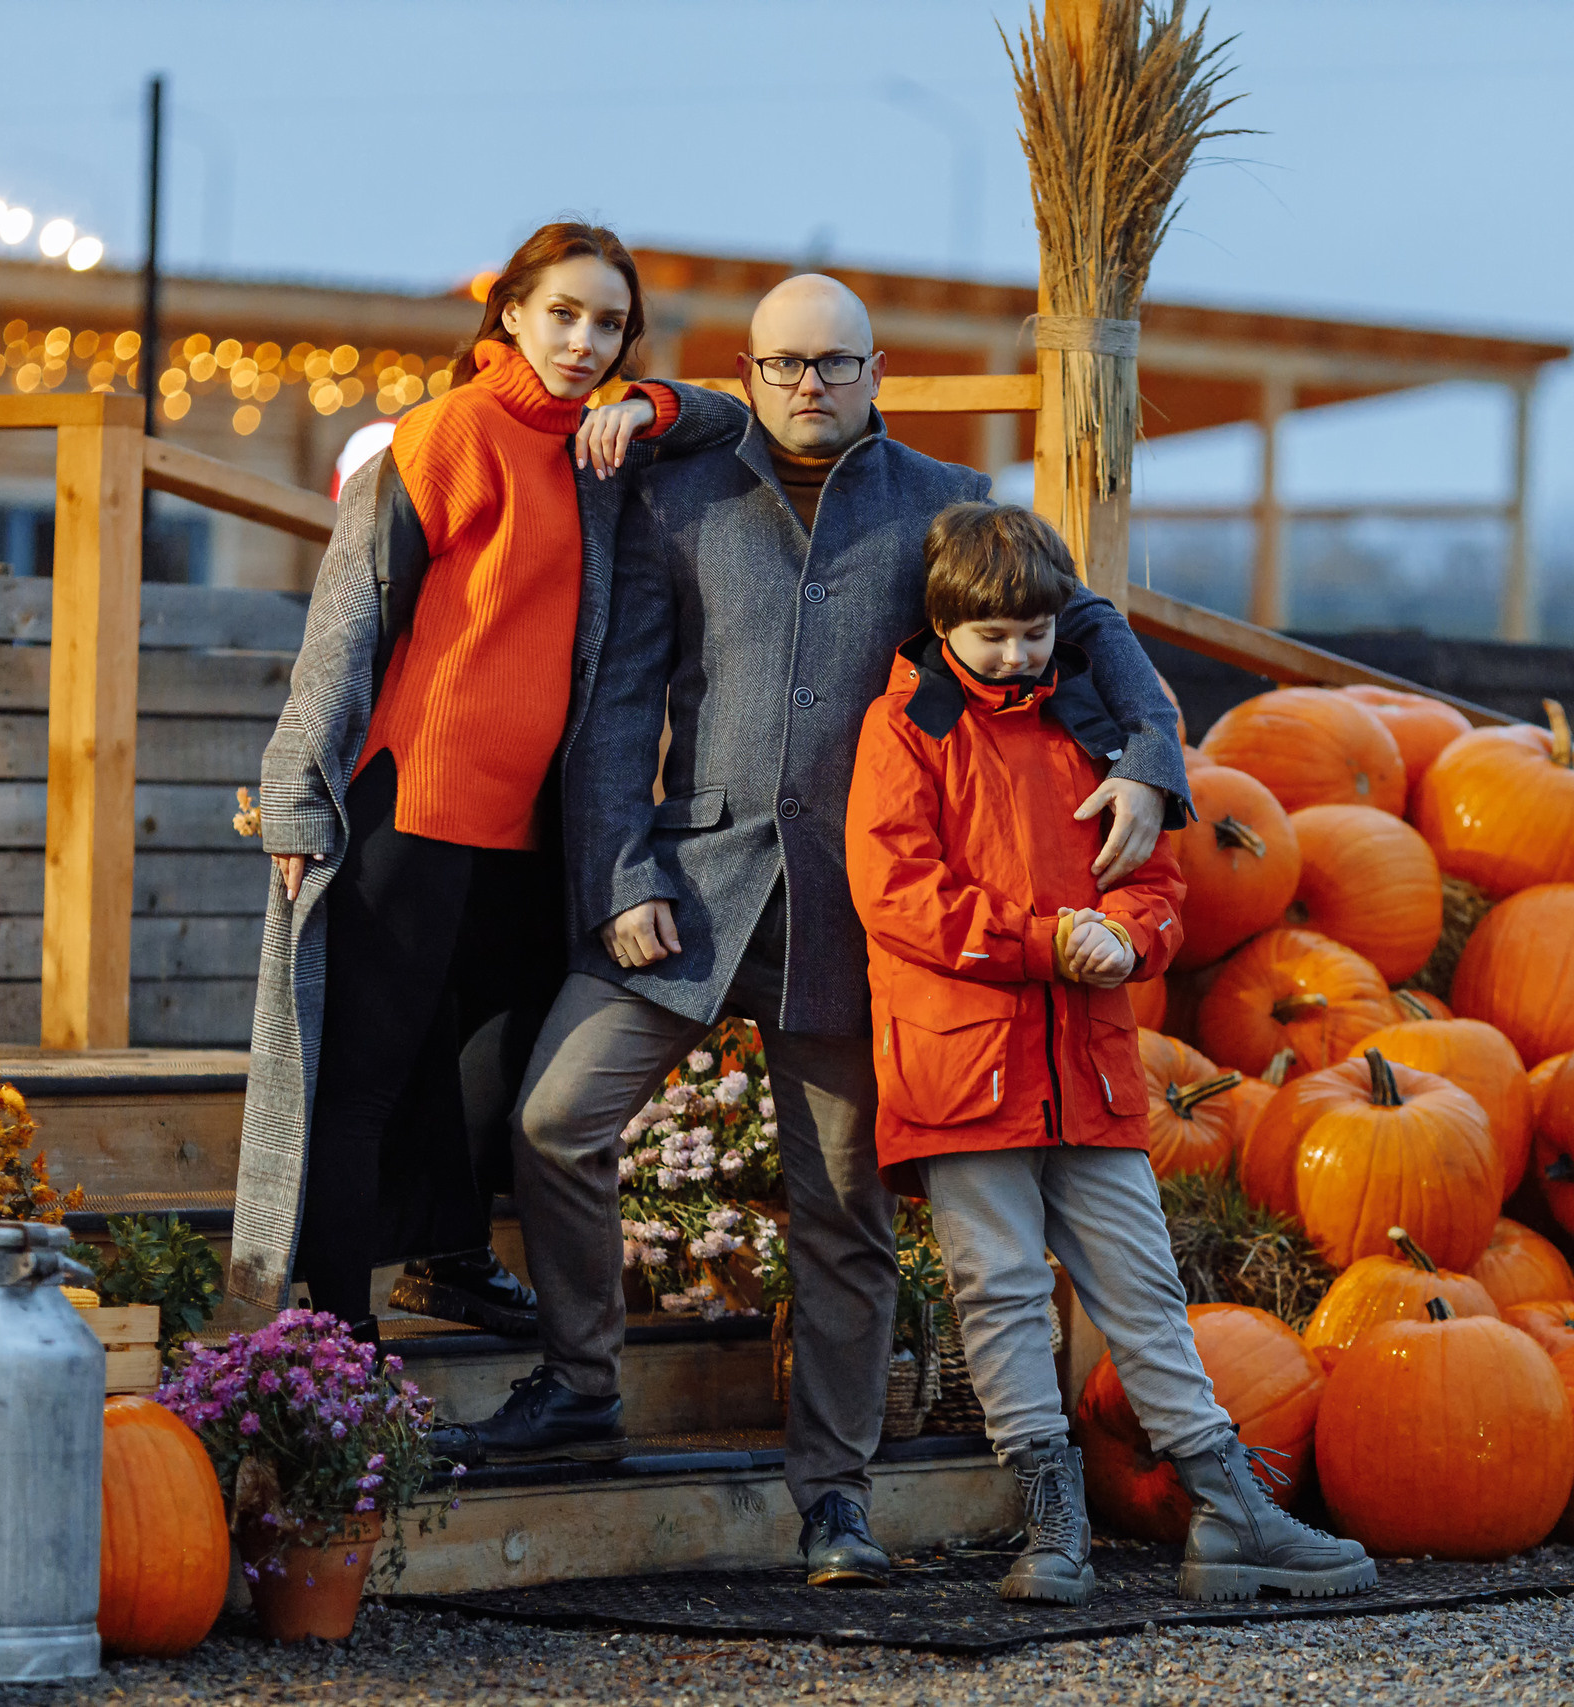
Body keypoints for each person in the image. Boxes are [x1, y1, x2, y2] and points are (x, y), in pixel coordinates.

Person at [433, 275, 1191, 1589]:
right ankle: (582, 1378)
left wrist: (1150, 757)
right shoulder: (680, 490)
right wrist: (620, 873)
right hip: (694, 887)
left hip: (860, 913)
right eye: (786, 364)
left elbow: (1086, 623)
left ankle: (834, 1502)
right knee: (556, 1115)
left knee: (840, 1214)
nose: (810, 385)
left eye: (836, 363)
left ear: (874, 367)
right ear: (751, 368)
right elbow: (619, 699)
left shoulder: (942, 496)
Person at [843, 501, 1376, 1607]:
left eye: (1035, 632)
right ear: (944, 625)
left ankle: (1229, 1517)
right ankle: (1050, 1527)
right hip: (964, 1063)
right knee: (995, 1294)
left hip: (1085, 1061)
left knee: (1141, 1287)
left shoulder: (1095, 722)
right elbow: (896, 893)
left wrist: (1132, 935)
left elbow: (1155, 875)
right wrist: (1045, 940)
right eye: (992, 637)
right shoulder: (908, 729)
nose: (1017, 654)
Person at [227, 223, 749, 1332]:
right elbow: (346, 622)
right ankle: (333, 1333)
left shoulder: (601, 448)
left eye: (609, 324)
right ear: (509, 311)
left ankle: (449, 1260)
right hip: (413, 803)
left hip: (531, 823)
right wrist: (294, 787)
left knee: (490, 1053)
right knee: (365, 1077)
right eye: (562, 313)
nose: (584, 342)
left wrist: (650, 406)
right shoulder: (449, 432)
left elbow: (733, 416)